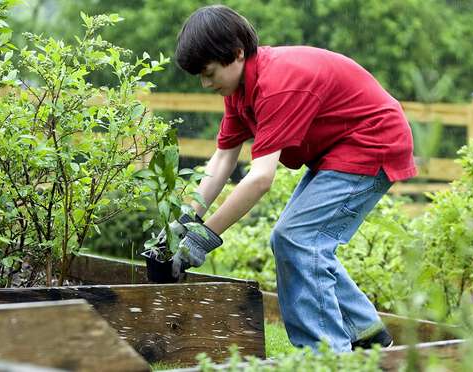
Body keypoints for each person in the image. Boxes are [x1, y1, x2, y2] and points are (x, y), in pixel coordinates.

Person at [167, 5, 416, 353]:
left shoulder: (278, 84)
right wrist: (184, 219)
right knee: (295, 240)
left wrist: (204, 237)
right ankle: (367, 333)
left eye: (209, 73)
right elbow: (224, 157)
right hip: (337, 150)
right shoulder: (239, 90)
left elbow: (260, 179)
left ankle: (325, 356)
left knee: (297, 239)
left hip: (373, 142)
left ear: (237, 54)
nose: (206, 84)